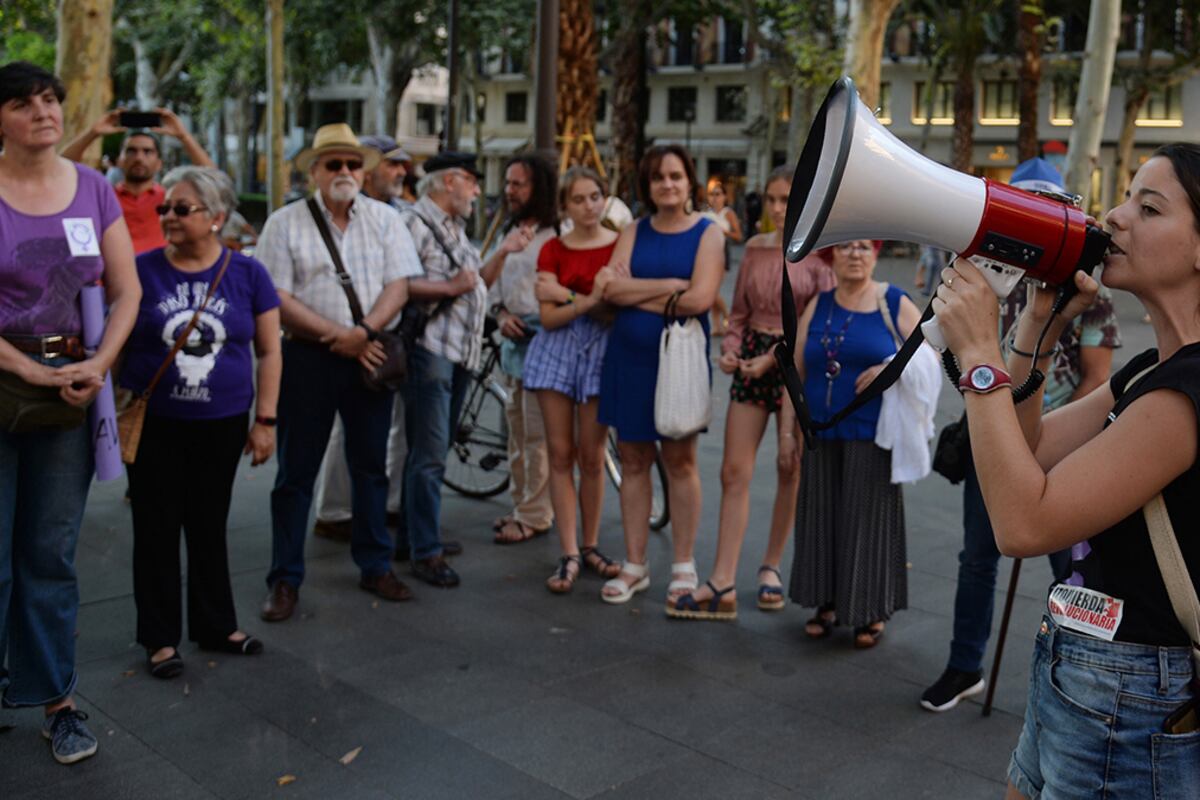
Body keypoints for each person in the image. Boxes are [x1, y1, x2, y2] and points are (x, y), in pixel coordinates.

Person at [934, 143, 1200, 800]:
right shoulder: (1149, 372)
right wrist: (1035, 325)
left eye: (1148, 207)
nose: (1115, 217)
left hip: (1131, 694)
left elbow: (1024, 523)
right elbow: (1029, 451)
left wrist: (979, 356)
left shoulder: (1186, 395)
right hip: (1076, 667)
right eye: (1125, 198)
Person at [921, 160, 1121, 712]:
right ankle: (965, 667)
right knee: (977, 559)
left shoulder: (1088, 292)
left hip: (1057, 447)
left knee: (1074, 572)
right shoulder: (988, 276)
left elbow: (1097, 379)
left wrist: (1043, 434)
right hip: (989, 433)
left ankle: (1084, 676)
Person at [0, 61, 141, 765]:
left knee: (49, 555)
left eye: (51, 99)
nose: (43, 112)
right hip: (4, 379)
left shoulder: (93, 189)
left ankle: (57, 700)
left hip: (73, 391)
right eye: (23, 103)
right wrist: (27, 367)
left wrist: (98, 363)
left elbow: (127, 291)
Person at [255, 123, 423, 622]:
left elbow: (401, 284)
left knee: (371, 466)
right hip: (307, 357)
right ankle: (284, 579)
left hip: (369, 354)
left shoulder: (386, 220)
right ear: (314, 172)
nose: (345, 172)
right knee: (295, 473)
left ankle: (374, 564)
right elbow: (276, 299)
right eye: (334, 164)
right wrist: (337, 335)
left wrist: (364, 331)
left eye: (353, 164)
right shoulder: (284, 223)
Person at [119, 167, 279, 678]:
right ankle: (160, 638)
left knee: (209, 524)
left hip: (222, 421)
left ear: (215, 217)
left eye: (180, 209)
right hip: (157, 420)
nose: (167, 216)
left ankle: (216, 624)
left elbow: (270, 351)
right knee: (156, 526)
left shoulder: (248, 274)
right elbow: (114, 340)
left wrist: (266, 420)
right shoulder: (141, 271)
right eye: (165, 207)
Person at [669, 165, 834, 620]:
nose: (779, 209)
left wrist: (774, 357)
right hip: (753, 357)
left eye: (788, 200)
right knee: (733, 470)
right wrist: (730, 350)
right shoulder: (756, 250)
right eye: (774, 200)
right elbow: (738, 313)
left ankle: (770, 567)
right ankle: (722, 577)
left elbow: (817, 326)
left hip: (796, 363)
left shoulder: (821, 257)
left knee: (789, 468)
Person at [310, 134, 451, 558]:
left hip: (387, 336)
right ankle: (334, 512)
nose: (401, 173)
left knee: (387, 431)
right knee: (339, 433)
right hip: (336, 339)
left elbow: (401, 279)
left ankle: (382, 512)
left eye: (402, 165)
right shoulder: (323, 217)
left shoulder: (393, 215)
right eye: (393, 165)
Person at [597, 144, 724, 605]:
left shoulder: (708, 235)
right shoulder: (632, 230)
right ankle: (635, 564)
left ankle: (684, 564)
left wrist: (637, 293)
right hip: (629, 360)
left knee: (680, 461)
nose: (667, 184)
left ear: (689, 180)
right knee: (632, 460)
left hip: (680, 367)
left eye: (674, 175)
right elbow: (609, 290)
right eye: (657, 178)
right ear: (646, 187)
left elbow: (699, 301)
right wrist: (669, 287)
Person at [784, 240, 922, 648]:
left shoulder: (893, 301)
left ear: (876, 254)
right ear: (831, 257)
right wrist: (788, 431)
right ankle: (824, 600)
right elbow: (795, 368)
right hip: (821, 431)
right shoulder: (819, 303)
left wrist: (887, 367)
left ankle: (869, 609)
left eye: (864, 246)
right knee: (821, 517)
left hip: (872, 433)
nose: (855, 254)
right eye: (845, 246)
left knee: (868, 523)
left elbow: (928, 355)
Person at [400, 152, 517, 588]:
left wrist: (504, 252)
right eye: (471, 181)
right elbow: (397, 283)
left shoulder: (455, 229)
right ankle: (424, 552)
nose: (475, 191)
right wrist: (450, 287)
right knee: (429, 455)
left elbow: (477, 283)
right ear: (449, 181)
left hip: (457, 353)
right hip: (430, 352)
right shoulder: (414, 223)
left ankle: (413, 537)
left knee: (434, 448)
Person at [524, 166, 622, 592]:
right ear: (565, 206)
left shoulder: (620, 247)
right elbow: (548, 319)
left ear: (605, 199)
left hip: (603, 351)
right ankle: (568, 551)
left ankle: (592, 544)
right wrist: (587, 300)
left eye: (595, 196)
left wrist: (566, 296)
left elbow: (614, 309)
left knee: (592, 454)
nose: (589, 206)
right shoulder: (552, 249)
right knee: (560, 453)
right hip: (557, 352)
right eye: (579, 199)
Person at [489, 155, 559, 545]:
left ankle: (535, 514)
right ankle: (521, 505)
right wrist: (499, 314)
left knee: (537, 435)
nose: (510, 191)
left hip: (543, 340)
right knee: (516, 432)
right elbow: (493, 284)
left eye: (520, 184)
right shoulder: (511, 230)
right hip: (512, 341)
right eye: (509, 182)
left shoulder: (557, 235)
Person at [62, 107, 215, 255]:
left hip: (161, 277)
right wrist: (92, 133)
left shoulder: (170, 200)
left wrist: (183, 136)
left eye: (147, 152)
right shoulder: (103, 196)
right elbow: (58, 171)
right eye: (131, 151)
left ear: (159, 163)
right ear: (120, 161)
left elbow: (214, 181)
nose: (139, 158)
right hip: (111, 277)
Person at [703, 177, 742, 335]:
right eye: (712, 194)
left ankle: (728, 319)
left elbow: (739, 236)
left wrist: (724, 231)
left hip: (722, 250)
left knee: (713, 290)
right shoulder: (706, 213)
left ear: (725, 197)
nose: (715, 197)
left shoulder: (728, 214)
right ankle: (717, 326)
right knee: (713, 290)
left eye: (718, 194)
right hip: (707, 252)